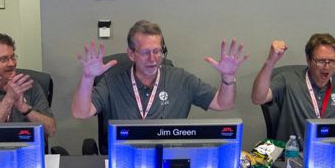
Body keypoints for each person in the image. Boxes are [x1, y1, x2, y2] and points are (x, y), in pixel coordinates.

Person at [71, 20, 245, 120]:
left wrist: (228, 77)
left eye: (157, 51)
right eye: (145, 52)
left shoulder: (181, 79)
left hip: (169, 163)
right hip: (125, 161)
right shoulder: (113, 81)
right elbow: (80, 112)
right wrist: (87, 78)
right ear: (131, 54)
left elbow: (224, 103)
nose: (153, 59)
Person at [0, 33, 56, 138]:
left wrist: (26, 109)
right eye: (3, 59)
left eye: (13, 57)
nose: (11, 64)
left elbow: (51, 130)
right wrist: (9, 98)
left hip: (28, 148)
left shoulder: (30, 85)